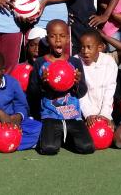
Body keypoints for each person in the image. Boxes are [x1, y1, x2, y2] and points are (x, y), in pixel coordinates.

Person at [28, 20, 94, 155]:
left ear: (68, 38)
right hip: (50, 116)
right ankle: (55, 137)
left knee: (87, 147)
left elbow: (82, 92)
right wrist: (43, 83)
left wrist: (77, 82)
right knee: (49, 149)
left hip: (73, 116)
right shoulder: (40, 63)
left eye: (62, 36)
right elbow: (32, 93)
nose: (58, 40)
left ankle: (67, 137)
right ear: (47, 39)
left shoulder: (74, 62)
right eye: (53, 36)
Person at [77, 30, 117, 130]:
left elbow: (109, 91)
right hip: (83, 112)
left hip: (104, 112)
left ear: (100, 47)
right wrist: (88, 114)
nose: (85, 51)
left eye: (89, 47)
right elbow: (80, 93)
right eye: (82, 47)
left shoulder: (109, 62)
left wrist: (105, 115)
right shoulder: (76, 61)